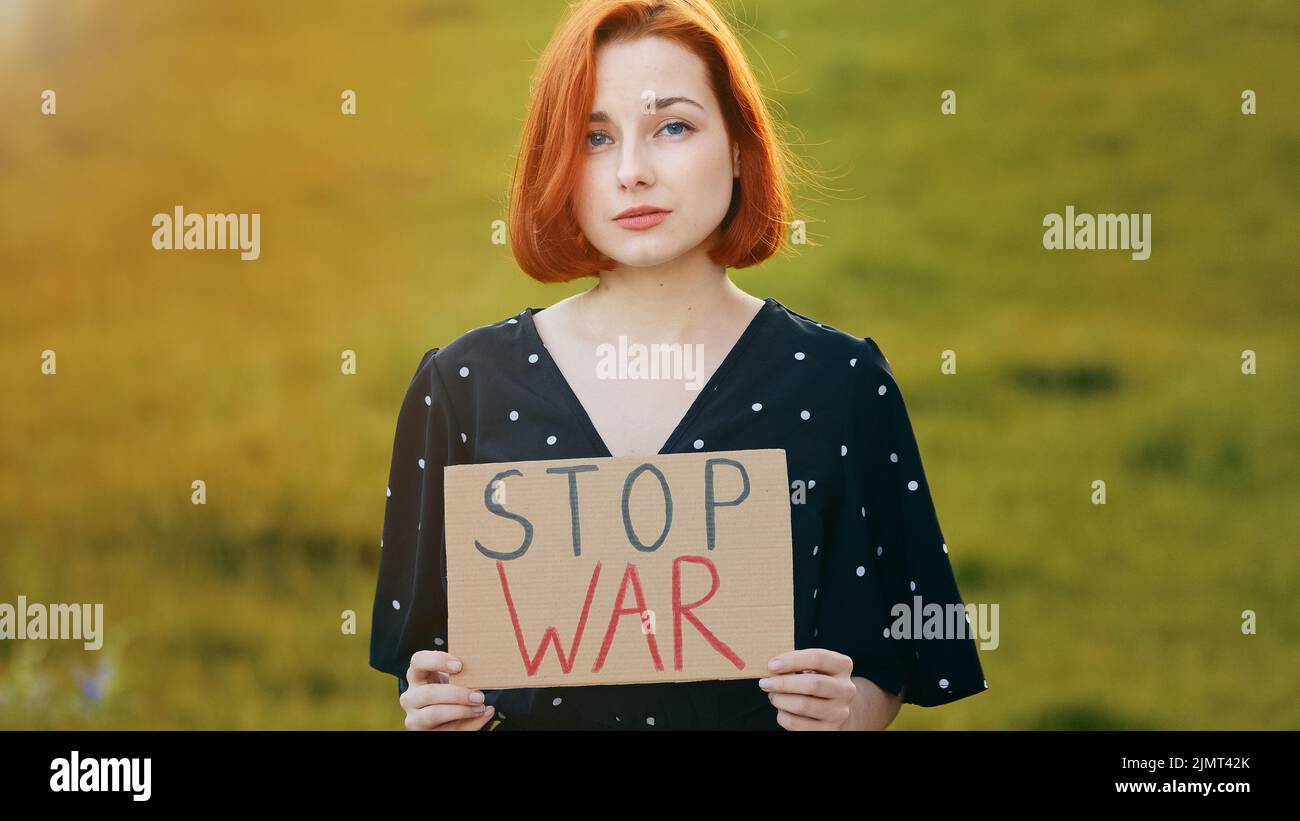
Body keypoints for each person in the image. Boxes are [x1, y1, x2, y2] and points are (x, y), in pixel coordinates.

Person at [370, 0, 988, 730]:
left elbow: (898, 652)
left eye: (672, 126)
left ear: (737, 145)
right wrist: (437, 711)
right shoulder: (462, 385)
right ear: (559, 163)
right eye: (595, 137)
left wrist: (855, 710)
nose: (633, 172)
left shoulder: (841, 383)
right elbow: (430, 661)